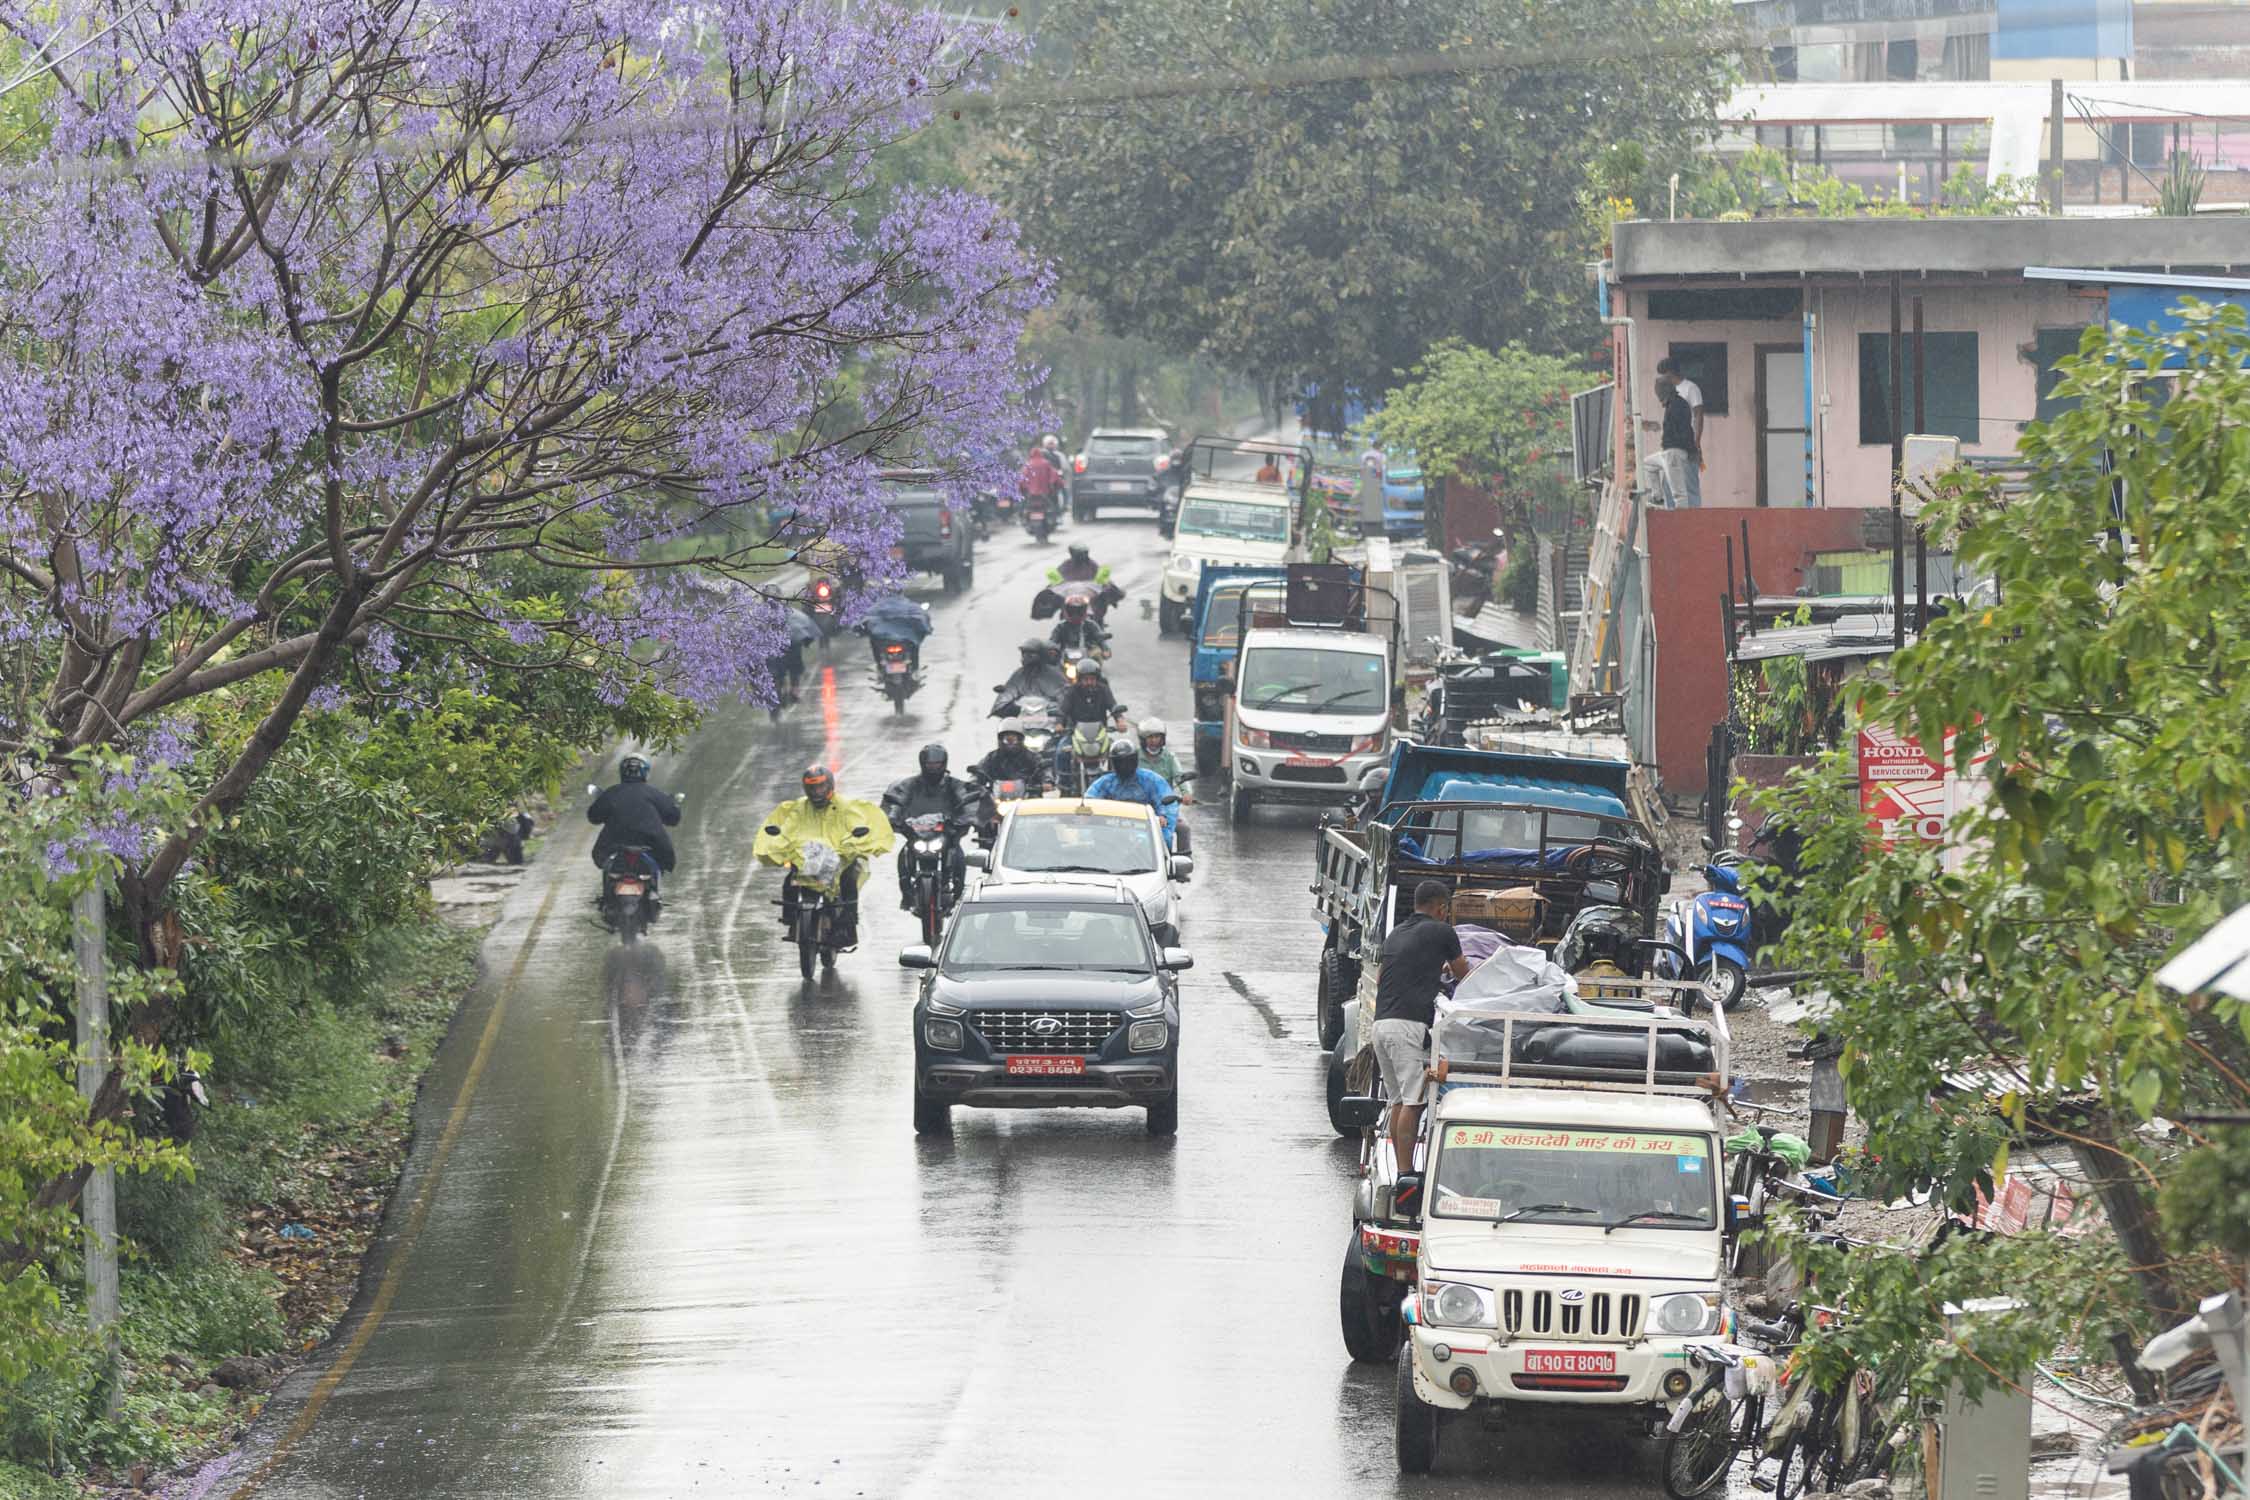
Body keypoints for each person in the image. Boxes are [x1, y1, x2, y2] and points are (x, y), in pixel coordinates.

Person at [1371, 881, 1471, 1206]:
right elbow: (1465, 975)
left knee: (1399, 1099)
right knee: (1413, 1101)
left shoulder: (1396, 934)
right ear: (1441, 907)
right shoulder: (1442, 931)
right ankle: (1406, 1175)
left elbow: (1386, 975)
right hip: (1408, 1025)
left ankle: (1403, 1172)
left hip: (1381, 1024)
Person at [757, 765, 893, 949]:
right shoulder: (799, 808)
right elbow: (788, 828)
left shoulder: (844, 806)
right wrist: (779, 838)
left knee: (849, 882)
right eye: (812, 788)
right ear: (806, 788)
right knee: (789, 880)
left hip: (840, 857)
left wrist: (856, 835)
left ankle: (847, 927)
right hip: (808, 857)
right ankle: (790, 920)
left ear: (830, 786)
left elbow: (857, 823)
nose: (817, 792)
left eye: (820, 787)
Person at [880, 744, 981, 911]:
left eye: (937, 764)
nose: (933, 768)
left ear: (944, 764)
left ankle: (958, 891)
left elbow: (967, 801)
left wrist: (965, 818)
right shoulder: (910, 785)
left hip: (945, 833)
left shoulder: (953, 785)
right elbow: (897, 802)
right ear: (922, 764)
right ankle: (906, 894)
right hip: (917, 833)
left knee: (957, 853)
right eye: (930, 764)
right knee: (904, 854)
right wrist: (892, 817)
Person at [588, 755, 683, 918]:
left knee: (602, 860)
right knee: (666, 860)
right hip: (651, 842)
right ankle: (653, 893)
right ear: (645, 772)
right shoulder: (653, 793)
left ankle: (606, 899)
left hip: (614, 843)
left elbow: (594, 816)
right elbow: (673, 817)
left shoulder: (612, 793)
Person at [1084, 742, 1180, 849]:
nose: (1124, 766)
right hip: (1111, 830)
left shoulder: (1151, 780)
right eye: (1120, 762)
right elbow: (1089, 801)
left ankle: (1172, 863)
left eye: (1128, 762)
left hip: (1146, 830)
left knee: (1167, 839)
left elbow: (1166, 802)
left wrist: (1162, 817)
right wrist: (1087, 816)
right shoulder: (1105, 782)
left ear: (1135, 761)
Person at [1656, 371, 1701, 509]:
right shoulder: (1675, 404)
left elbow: (1685, 432)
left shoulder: (1676, 406)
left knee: (1684, 493)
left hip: (1680, 454)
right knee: (1672, 492)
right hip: (1676, 453)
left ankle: (1689, 523)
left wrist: (1693, 451)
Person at [992, 636, 1069, 716]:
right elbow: (1009, 691)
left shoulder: (1053, 674)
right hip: (1023, 718)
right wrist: (1003, 706)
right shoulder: (1019, 674)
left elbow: (1064, 695)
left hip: (1048, 719)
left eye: (1031, 653)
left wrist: (1059, 709)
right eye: (1024, 653)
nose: (1026, 656)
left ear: (1041, 654)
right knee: (1006, 726)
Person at [860, 590, 933, 669]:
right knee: (915, 646)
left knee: (873, 642)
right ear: (901, 593)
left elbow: (863, 620)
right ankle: (915, 669)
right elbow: (922, 618)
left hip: (884, 641)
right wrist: (926, 629)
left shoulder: (876, 607)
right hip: (906, 640)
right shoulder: (910, 606)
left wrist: (860, 630)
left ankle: (880, 668)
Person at [1656, 356, 1706, 460]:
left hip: (1687, 444)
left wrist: (1696, 442)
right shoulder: (1669, 390)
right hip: (1673, 445)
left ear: (1669, 373)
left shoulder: (1690, 388)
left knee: (1687, 475)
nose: (1661, 378)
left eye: (1662, 374)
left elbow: (1698, 415)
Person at [1136, 717, 1185, 790]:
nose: (1154, 740)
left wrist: (1186, 792)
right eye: (1150, 737)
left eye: (1157, 737)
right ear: (1143, 739)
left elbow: (1180, 777)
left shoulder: (1170, 757)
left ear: (1162, 738)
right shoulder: (1134, 756)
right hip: (1140, 797)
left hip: (1164, 798)